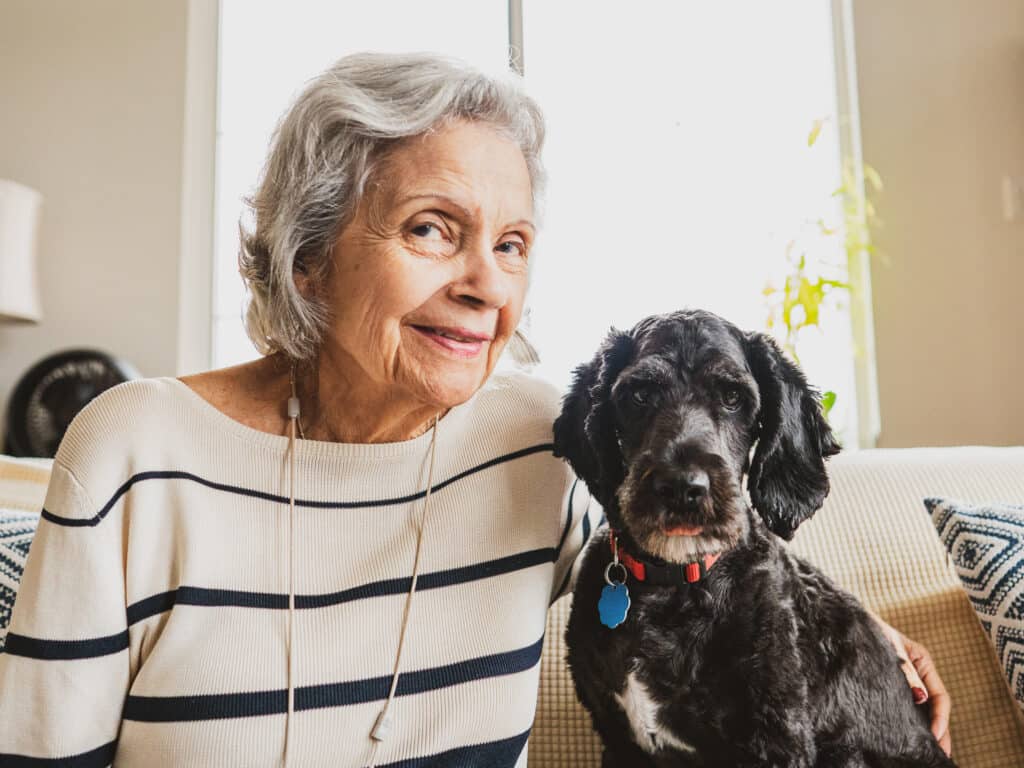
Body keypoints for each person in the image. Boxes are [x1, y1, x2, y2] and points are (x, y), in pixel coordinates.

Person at [0, 52, 950, 767]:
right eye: (431, 229)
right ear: (311, 255)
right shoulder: (131, 452)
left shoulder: (532, 443)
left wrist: (867, 643)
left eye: (513, 244)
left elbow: (700, 540)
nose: (485, 285)